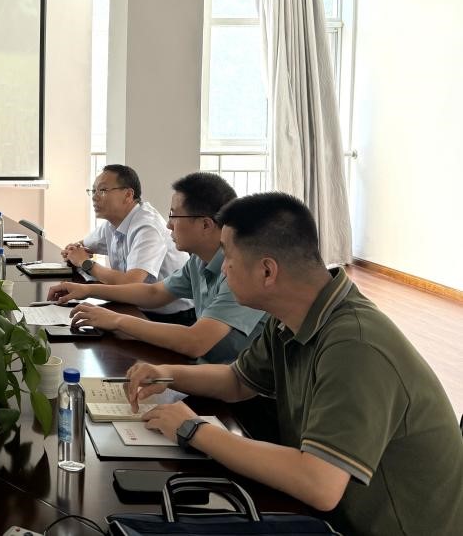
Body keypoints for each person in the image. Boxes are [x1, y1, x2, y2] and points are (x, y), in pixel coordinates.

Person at [125, 192, 463, 534]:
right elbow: (238, 381)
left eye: (229, 257)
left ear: (267, 271)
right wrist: (167, 374)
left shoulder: (355, 346)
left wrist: (193, 429)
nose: (223, 268)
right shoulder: (292, 316)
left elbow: (319, 483)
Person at [50, 173, 267, 363]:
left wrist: (116, 320)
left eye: (174, 215)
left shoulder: (241, 271)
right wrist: (88, 290)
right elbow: (154, 293)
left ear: (205, 224)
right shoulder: (198, 260)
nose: (168, 224)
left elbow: (195, 342)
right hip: (206, 368)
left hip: (234, 384)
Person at [62, 164, 194, 324]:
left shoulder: (147, 227)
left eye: (102, 190)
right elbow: (79, 247)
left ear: (128, 195)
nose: (94, 197)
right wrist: (73, 251)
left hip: (171, 318)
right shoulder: (112, 222)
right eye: (93, 190)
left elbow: (130, 283)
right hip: (132, 307)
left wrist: (85, 263)